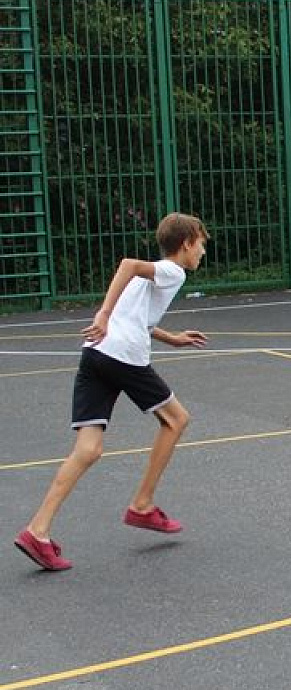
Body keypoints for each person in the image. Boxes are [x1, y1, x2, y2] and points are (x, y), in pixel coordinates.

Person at [14, 213, 210, 571]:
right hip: (122, 356)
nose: (203, 251)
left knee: (88, 450)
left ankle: (36, 531)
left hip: (95, 355)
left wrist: (173, 339)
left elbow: (140, 320)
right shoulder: (171, 271)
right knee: (176, 419)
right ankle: (142, 505)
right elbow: (127, 264)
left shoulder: (154, 278)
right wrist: (103, 314)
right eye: (201, 244)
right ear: (186, 243)